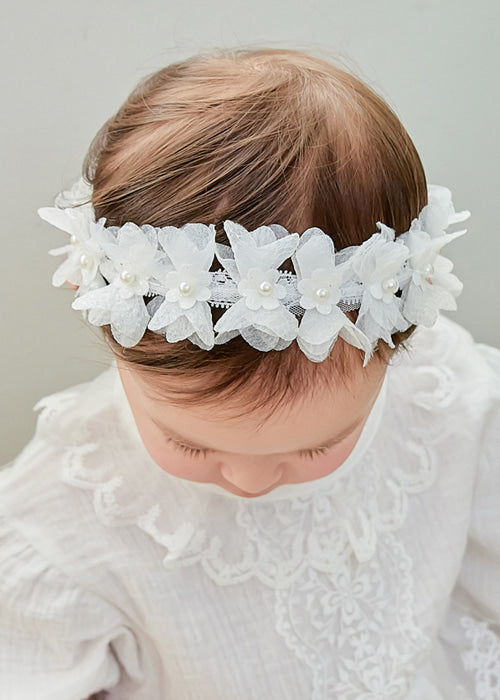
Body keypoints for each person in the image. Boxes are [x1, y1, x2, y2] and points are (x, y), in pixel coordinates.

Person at [1, 46, 499, 700]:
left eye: (317, 445)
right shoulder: (65, 510)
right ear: (118, 338)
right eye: (191, 443)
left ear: (394, 347)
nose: (250, 479)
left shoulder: (448, 404)